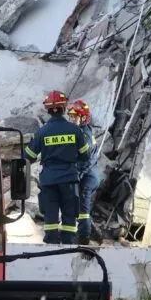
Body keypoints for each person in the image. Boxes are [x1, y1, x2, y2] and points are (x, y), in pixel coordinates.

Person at [25, 91, 90, 244]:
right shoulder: (75, 130)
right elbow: (85, 155)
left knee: (50, 214)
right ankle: (68, 243)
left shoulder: (42, 132)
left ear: (48, 110)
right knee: (69, 214)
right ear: (64, 108)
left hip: (49, 180)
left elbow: (29, 156)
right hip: (69, 178)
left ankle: (52, 243)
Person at [68, 99, 101, 246]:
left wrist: (77, 174)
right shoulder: (81, 131)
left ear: (83, 118)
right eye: (71, 116)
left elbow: (86, 160)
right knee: (80, 207)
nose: (72, 119)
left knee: (83, 210)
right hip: (89, 175)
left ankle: (84, 238)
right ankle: (88, 230)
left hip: (88, 177)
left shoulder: (84, 135)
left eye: (75, 116)